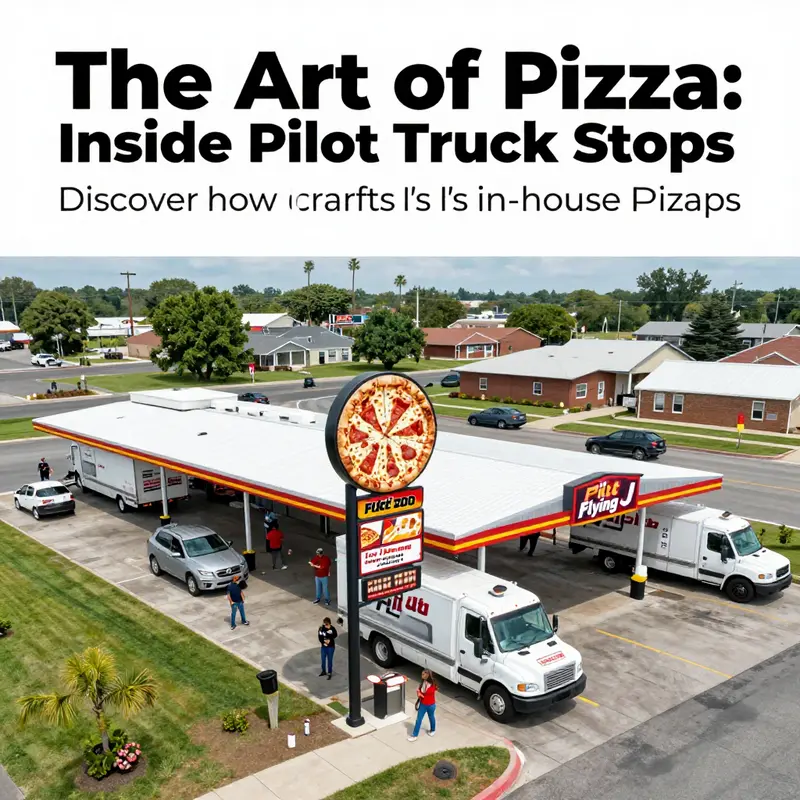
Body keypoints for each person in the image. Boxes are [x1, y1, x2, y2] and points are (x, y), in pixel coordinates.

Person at [408, 669, 438, 741]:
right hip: (423, 704)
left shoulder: (432, 685)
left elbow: (426, 695)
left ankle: (433, 730)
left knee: (431, 717)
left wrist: (420, 694)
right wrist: (419, 692)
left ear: (427, 675)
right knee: (419, 720)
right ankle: (414, 735)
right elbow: (420, 690)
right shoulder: (423, 682)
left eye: (423, 674)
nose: (421, 676)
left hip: (430, 705)